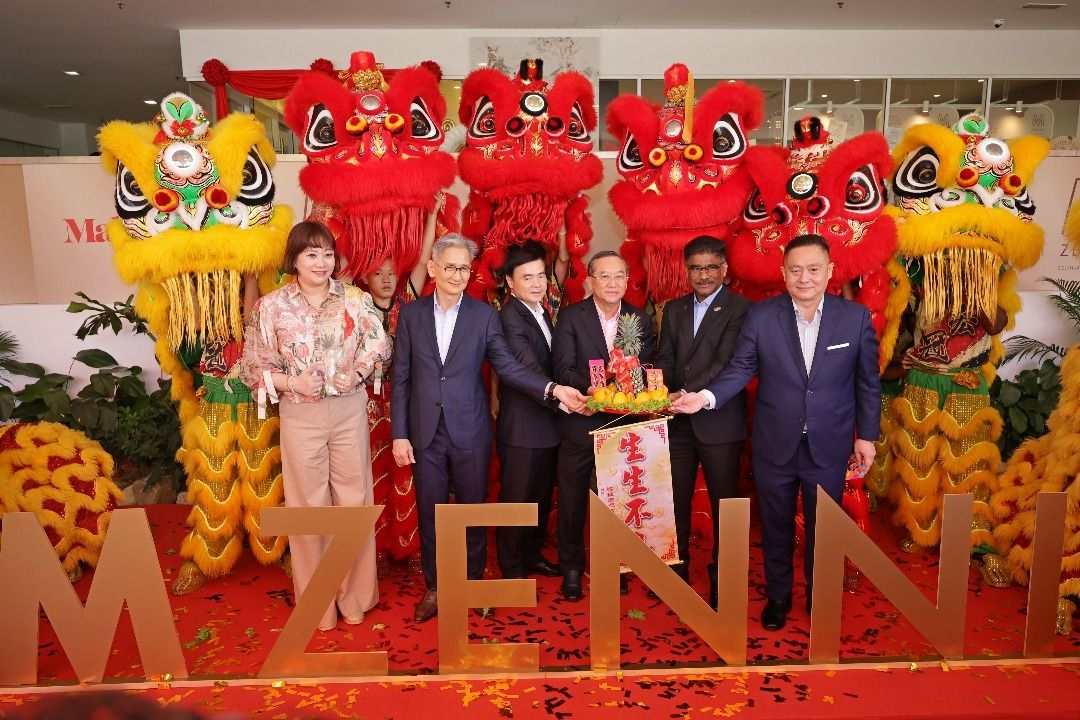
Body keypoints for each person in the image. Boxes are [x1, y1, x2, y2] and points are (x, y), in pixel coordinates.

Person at [671, 234, 880, 631]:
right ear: (783, 273)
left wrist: (866, 435)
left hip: (830, 441)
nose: (805, 278)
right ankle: (778, 596)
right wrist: (706, 397)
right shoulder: (763, 316)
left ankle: (819, 598)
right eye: (796, 270)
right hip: (775, 441)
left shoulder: (854, 318)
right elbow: (740, 367)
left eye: (814, 269)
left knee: (825, 528)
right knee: (776, 524)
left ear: (830, 272)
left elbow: (867, 381)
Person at [391, 233, 586, 623]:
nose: (458, 275)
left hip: (471, 431)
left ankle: (473, 583)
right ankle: (435, 587)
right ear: (432, 269)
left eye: (464, 268)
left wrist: (551, 388)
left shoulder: (485, 316)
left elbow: (509, 367)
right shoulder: (411, 316)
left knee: (473, 511)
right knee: (430, 514)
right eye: (450, 267)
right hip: (424, 431)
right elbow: (402, 378)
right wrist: (399, 433)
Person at [240, 220, 390, 632]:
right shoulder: (271, 307)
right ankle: (319, 600)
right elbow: (252, 365)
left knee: (353, 500)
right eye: (311, 254)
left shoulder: (355, 299)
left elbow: (379, 345)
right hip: (300, 416)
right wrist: (292, 382)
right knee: (309, 506)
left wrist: (358, 372)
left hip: (348, 410)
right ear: (294, 259)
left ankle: (354, 595)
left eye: (327, 254)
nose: (321, 262)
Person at [551, 250, 655, 602]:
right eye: (605, 276)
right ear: (590, 280)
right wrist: (594, 390)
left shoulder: (639, 319)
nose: (613, 283)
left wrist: (631, 389)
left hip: (623, 424)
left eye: (619, 276)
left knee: (616, 500)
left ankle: (614, 564)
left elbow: (647, 370)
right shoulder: (570, 318)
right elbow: (562, 368)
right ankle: (571, 567)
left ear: (627, 280)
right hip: (581, 421)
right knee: (572, 499)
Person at [655, 236, 750, 608]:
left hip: (718, 421)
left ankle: (721, 582)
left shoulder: (741, 309)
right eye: (696, 267)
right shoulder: (675, 308)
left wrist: (691, 394)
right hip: (677, 422)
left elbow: (728, 361)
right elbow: (666, 356)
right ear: (687, 270)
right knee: (673, 501)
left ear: (724, 270)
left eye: (711, 267)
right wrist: (663, 392)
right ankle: (675, 575)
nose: (704, 274)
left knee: (725, 505)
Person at [361, 195, 443, 575]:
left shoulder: (408, 303)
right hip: (364, 405)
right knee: (369, 476)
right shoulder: (355, 307)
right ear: (366, 277)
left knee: (404, 475)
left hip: (403, 402)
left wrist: (432, 214)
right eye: (378, 273)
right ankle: (374, 549)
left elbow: (426, 256)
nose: (387, 278)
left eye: (392, 272)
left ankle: (407, 548)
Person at [495, 241, 563, 580]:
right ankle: (511, 568)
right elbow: (526, 367)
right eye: (527, 277)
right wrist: (562, 393)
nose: (537, 284)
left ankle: (532, 554)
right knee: (517, 499)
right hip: (523, 427)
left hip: (547, 423)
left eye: (541, 276)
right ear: (510, 281)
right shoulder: (510, 316)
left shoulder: (540, 311)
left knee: (538, 496)